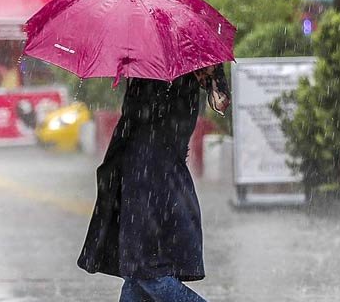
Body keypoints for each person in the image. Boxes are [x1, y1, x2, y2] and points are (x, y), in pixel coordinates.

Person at [77, 65, 230, 302]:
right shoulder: (188, 62)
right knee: (137, 270)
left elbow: (142, 114)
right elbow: (216, 101)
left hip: (147, 174)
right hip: (162, 173)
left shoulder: (154, 66)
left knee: (147, 270)